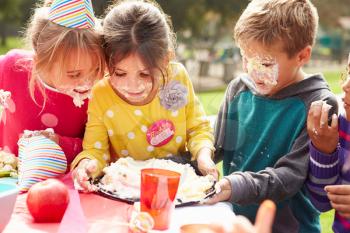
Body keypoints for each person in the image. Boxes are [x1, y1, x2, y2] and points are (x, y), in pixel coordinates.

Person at [208, 0, 338, 232]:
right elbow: (215, 146)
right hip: (236, 223)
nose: (252, 71)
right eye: (245, 58)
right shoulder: (239, 89)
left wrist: (234, 185)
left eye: (266, 63)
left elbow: (289, 177)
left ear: (302, 56)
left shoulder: (319, 104)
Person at [71, 0, 217, 191]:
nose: (133, 86)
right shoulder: (101, 94)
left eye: (145, 74)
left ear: (166, 60)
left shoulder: (176, 79)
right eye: (120, 73)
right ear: (106, 62)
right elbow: (95, 150)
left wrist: (203, 157)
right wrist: (87, 166)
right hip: (124, 188)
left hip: (176, 185)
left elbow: (197, 128)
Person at [0, 0, 105, 188]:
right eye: (74, 74)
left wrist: (59, 142)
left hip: (60, 189)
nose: (88, 81)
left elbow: (95, 148)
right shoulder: (11, 68)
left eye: (96, 69)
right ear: (40, 60)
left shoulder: (99, 92)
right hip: (6, 181)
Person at [306, 54, 350, 233]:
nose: (345, 85)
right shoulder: (343, 127)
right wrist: (324, 151)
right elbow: (322, 202)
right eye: (348, 71)